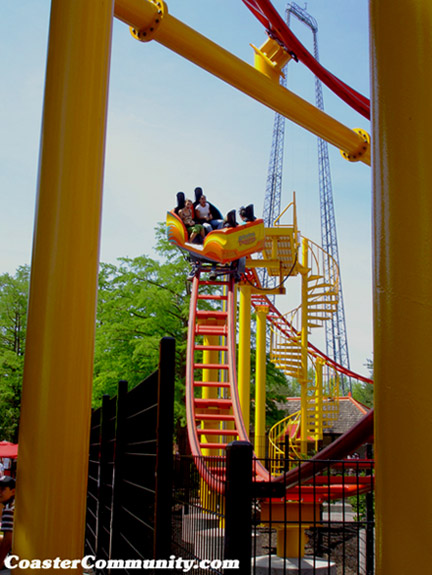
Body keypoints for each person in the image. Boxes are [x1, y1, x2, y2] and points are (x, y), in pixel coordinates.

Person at [0, 476, 15, 570]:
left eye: (3, 489)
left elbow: (8, 541)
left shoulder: (9, 509)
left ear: (13, 491)